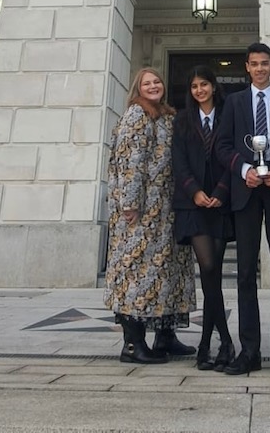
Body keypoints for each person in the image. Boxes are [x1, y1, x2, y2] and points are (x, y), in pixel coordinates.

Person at [217, 43, 270, 377]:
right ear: (247, 67)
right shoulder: (234, 103)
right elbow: (223, 146)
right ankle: (250, 351)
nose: (259, 69)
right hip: (247, 193)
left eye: (264, 63)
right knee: (244, 274)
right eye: (254, 64)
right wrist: (244, 171)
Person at [104, 67, 196, 364]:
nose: (154, 86)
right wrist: (130, 204)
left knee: (165, 273)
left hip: (166, 210)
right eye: (147, 83)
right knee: (137, 273)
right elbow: (131, 162)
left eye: (157, 81)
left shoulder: (166, 115)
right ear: (138, 88)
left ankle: (165, 336)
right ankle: (133, 344)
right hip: (142, 212)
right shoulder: (137, 115)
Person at [172, 66, 235, 372]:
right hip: (193, 204)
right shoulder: (182, 119)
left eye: (204, 84)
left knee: (213, 276)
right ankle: (224, 340)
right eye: (194, 86)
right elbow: (179, 161)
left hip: (221, 202)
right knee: (208, 268)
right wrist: (195, 192)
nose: (199, 90)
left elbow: (235, 153)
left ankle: (206, 345)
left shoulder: (228, 114)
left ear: (213, 86)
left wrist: (221, 191)